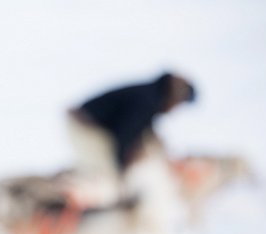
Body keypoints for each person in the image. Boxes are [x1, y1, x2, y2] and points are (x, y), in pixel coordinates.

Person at [65, 71, 197, 202]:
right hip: (85, 127)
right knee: (106, 175)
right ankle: (74, 204)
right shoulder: (148, 101)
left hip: (93, 126)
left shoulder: (152, 95)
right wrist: (120, 168)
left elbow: (144, 133)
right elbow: (124, 135)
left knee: (105, 172)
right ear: (176, 97)